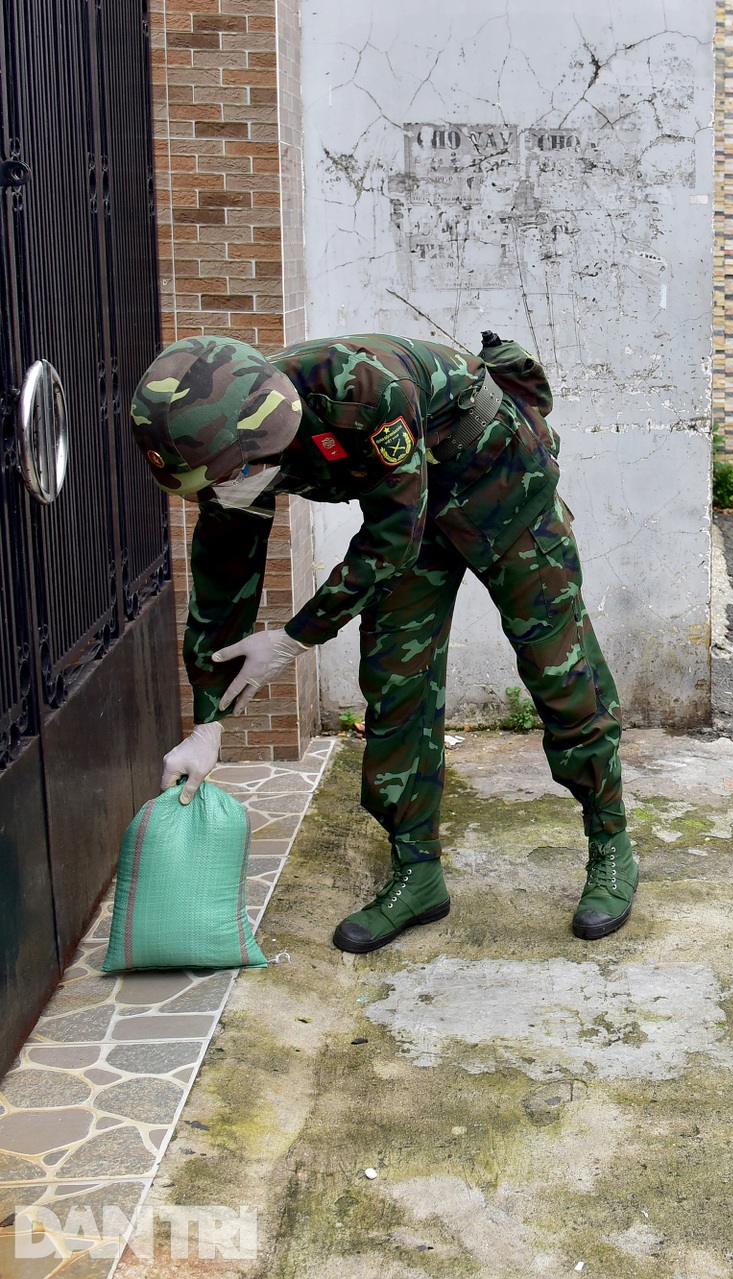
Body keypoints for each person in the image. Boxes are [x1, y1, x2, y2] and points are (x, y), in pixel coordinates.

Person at [139, 332, 638, 949]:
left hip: (501, 489)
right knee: (395, 679)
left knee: (558, 668)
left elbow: (390, 540)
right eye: (208, 486)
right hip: (406, 511)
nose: (223, 493)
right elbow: (221, 583)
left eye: (229, 479)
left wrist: (297, 638)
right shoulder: (226, 452)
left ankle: (610, 842)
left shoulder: (362, 388)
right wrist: (206, 724)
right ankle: (417, 872)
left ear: (262, 434)